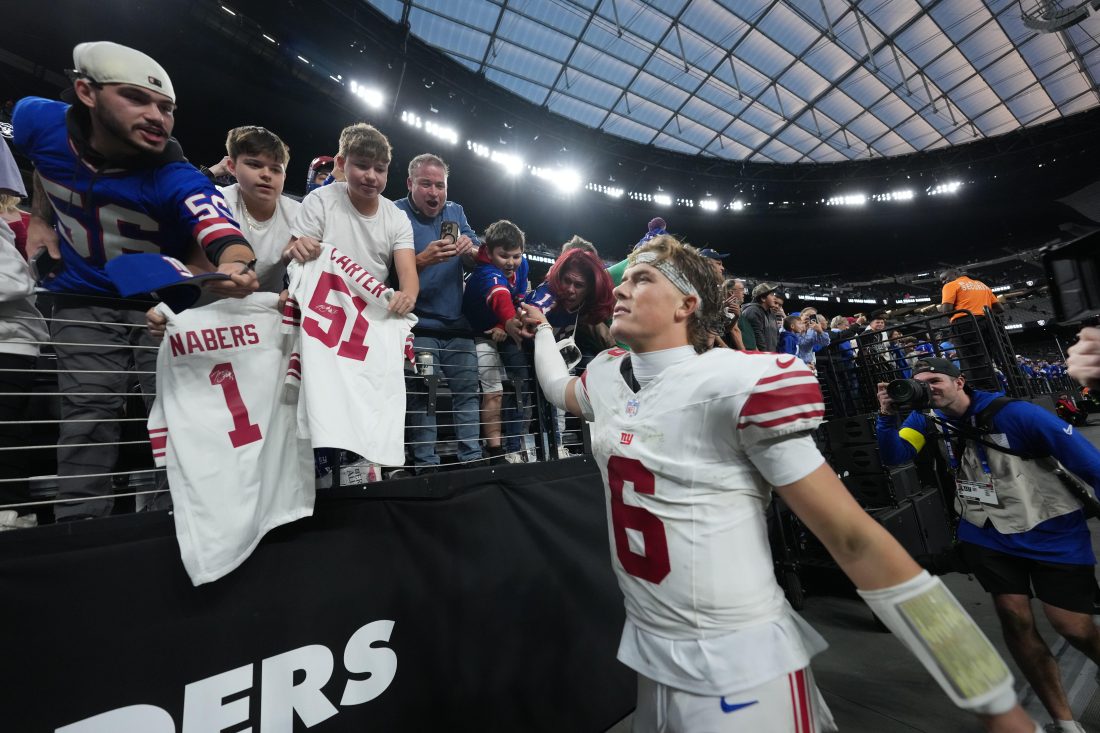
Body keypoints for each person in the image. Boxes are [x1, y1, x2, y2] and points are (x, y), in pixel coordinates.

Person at [520, 237, 1035, 733]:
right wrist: (543, 328)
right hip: (650, 649)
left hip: (736, 661)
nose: (622, 290)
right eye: (624, 279)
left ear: (687, 305)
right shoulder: (609, 376)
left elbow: (855, 540)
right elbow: (554, 387)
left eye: (642, 278)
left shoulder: (736, 383)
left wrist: (986, 689)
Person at [13, 41, 258, 520]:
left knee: (175, 417)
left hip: (158, 311)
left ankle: (181, 522)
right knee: (87, 416)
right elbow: (42, 162)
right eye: (136, 99)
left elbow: (223, 235)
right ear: (86, 91)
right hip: (80, 296)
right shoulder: (34, 120)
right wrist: (40, 216)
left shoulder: (175, 174)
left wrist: (235, 266)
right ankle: (79, 531)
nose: (156, 117)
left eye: (166, 108)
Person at [877, 358, 1100, 733]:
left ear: (960, 381)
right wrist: (886, 417)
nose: (927, 388)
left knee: (1073, 627)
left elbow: (1092, 464)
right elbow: (896, 456)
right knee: (1014, 620)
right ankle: (1064, 722)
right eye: (918, 383)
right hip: (985, 530)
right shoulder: (924, 419)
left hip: (1050, 529)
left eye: (935, 380)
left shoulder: (1020, 415)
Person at [394, 153, 484, 473]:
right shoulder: (394, 213)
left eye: (440, 185)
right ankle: (426, 467)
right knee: (426, 397)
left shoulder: (455, 212)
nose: (434, 192)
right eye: (426, 184)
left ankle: (472, 462)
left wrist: (469, 250)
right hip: (419, 327)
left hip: (456, 326)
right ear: (410, 184)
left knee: (467, 393)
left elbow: (476, 259)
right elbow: (380, 270)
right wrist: (420, 260)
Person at [283, 122, 417, 316]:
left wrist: (407, 296)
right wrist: (296, 250)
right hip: (320, 306)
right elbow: (287, 255)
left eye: (380, 169)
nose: (371, 176)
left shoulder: (397, 217)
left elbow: (408, 272)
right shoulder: (320, 200)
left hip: (370, 312)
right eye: (362, 166)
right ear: (341, 163)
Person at [462, 219, 528, 464]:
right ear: (489, 253)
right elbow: (500, 295)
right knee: (494, 392)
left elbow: (518, 297)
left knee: (521, 386)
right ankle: (495, 452)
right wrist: (509, 321)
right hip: (477, 333)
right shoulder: (484, 272)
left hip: (501, 330)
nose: (511, 263)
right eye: (504, 256)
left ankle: (515, 447)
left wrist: (503, 325)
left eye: (516, 256)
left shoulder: (523, 265)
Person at [940, 268, 1004, 390]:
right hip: (988, 323)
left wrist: (942, 309)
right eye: (942, 280)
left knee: (969, 360)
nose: (943, 282)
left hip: (964, 323)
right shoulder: (982, 285)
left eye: (944, 278)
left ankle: (980, 391)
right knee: (986, 357)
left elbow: (946, 311)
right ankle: (993, 389)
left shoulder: (951, 285)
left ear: (955, 274)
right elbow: (1000, 308)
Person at [740, 282, 780, 352]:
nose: (775, 298)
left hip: (769, 355)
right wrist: (764, 355)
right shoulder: (753, 311)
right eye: (771, 295)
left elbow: (776, 336)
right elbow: (757, 337)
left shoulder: (770, 313)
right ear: (763, 298)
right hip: (759, 357)